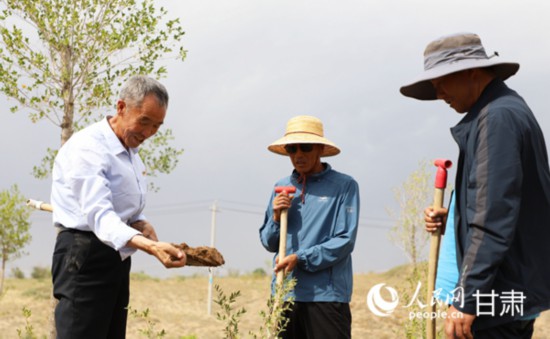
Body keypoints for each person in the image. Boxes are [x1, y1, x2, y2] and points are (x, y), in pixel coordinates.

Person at [400, 32, 550, 338]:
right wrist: (457, 218)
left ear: (472, 71)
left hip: (494, 298)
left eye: (441, 80)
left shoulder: (496, 119)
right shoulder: (503, 111)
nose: (438, 92)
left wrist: (468, 298)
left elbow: (494, 216)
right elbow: (500, 199)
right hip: (505, 291)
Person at [50, 75, 187, 338]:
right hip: (84, 255)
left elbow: (121, 209)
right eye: (144, 121)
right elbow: (101, 215)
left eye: (156, 126)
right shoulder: (88, 148)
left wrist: (140, 222)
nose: (148, 133)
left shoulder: (130, 152)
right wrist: (151, 247)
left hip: (117, 256)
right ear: (121, 107)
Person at [259, 115, 360, 339]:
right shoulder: (281, 187)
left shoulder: (344, 186)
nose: (298, 155)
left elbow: (344, 240)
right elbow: (268, 242)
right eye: (292, 149)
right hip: (285, 294)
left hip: (326, 296)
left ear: (320, 149)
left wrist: (300, 258)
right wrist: (275, 217)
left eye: (305, 147)